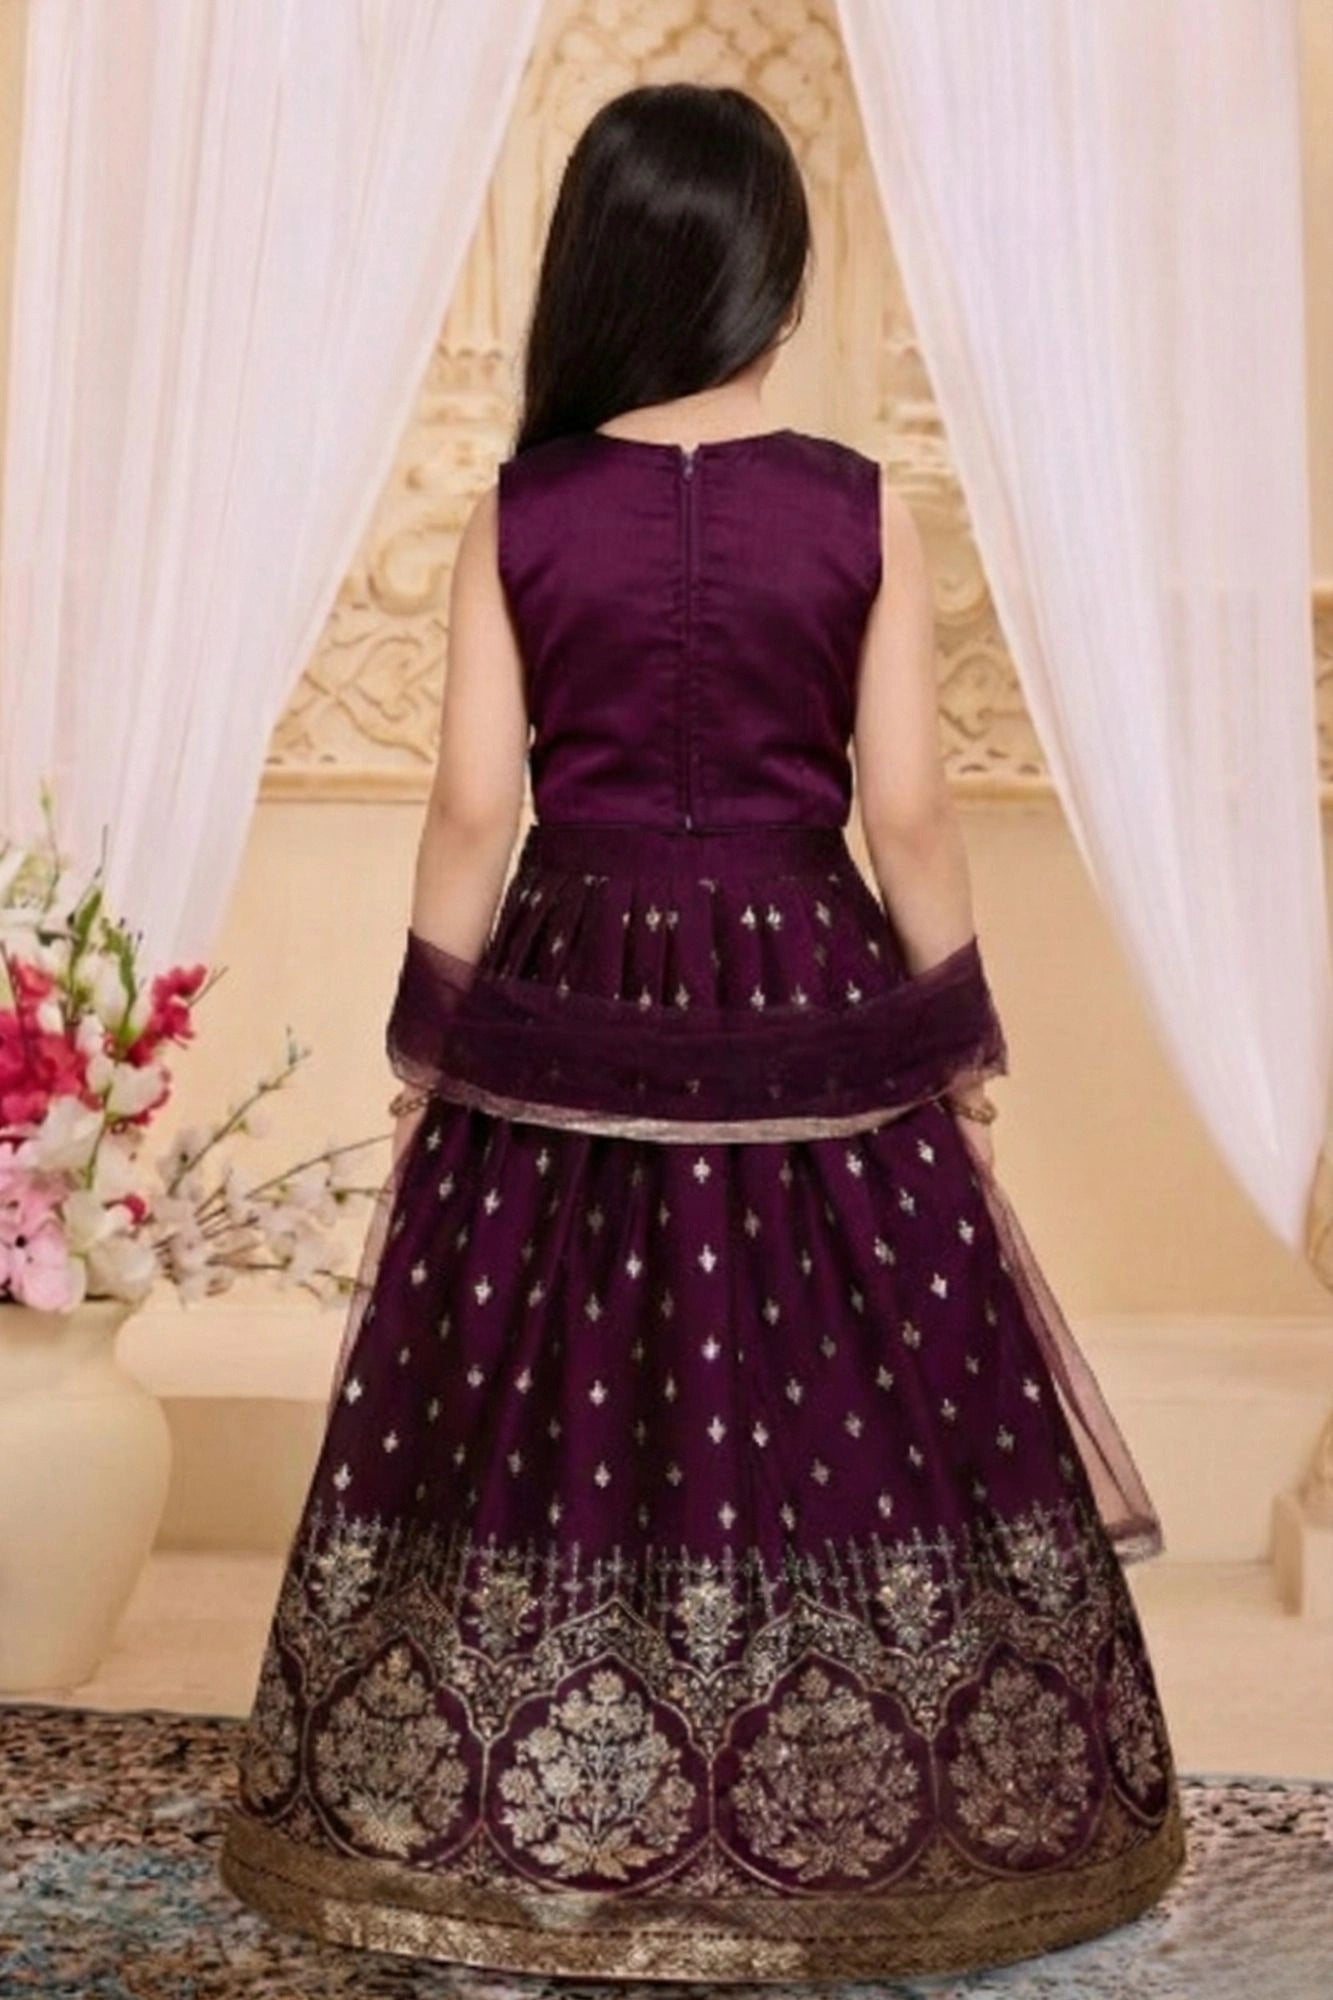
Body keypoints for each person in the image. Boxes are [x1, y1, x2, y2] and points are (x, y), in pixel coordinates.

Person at [218, 80, 1186, 1982]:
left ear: (595, 269)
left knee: (556, 1383)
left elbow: (472, 810)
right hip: (811, 986)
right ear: (777, 276)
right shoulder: (855, 507)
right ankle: (840, 1804)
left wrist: (428, 1056)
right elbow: (910, 815)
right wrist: (956, 1041)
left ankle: (547, 1812)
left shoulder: (520, 512)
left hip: (563, 987)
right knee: (840, 1387)